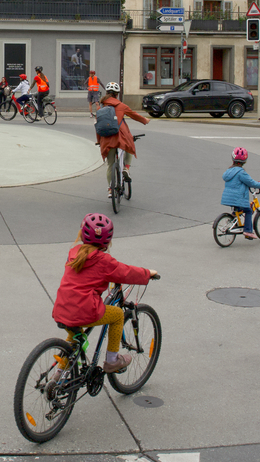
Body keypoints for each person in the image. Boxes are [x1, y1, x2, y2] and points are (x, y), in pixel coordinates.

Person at [51, 214, 157, 378]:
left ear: (82, 234)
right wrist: (147, 273)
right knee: (118, 314)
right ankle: (112, 360)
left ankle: (58, 375)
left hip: (61, 308)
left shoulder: (74, 253)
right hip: (84, 310)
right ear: (107, 241)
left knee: (75, 336)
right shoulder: (103, 261)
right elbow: (125, 272)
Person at [97, 83, 150, 194]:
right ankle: (126, 168)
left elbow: (98, 125)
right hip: (121, 137)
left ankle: (111, 189)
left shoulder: (101, 107)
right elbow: (134, 115)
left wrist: (99, 141)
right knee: (130, 144)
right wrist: (145, 120)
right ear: (117, 94)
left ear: (106, 94)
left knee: (110, 165)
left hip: (107, 138)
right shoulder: (121, 105)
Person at [221, 147, 260, 240]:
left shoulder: (228, 171)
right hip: (238, 199)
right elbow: (251, 182)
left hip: (227, 198)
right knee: (248, 211)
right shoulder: (241, 173)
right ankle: (248, 231)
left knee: (238, 210)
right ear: (245, 161)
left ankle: (233, 218)